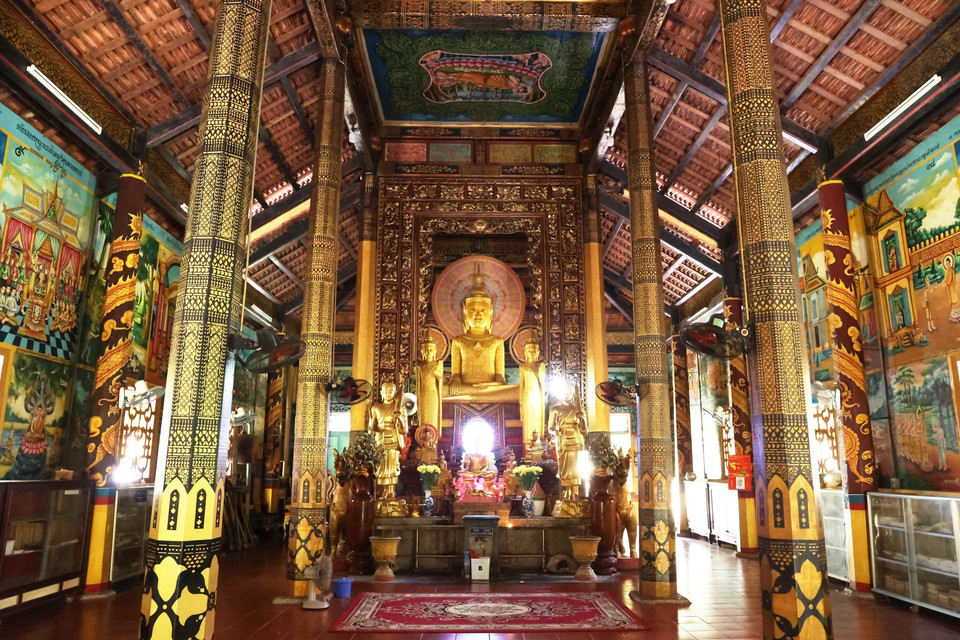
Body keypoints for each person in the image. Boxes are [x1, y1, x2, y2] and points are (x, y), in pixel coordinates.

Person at [447, 266, 517, 402]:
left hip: (489, 390)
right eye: (473, 310)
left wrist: (489, 386)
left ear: (491, 312)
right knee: (442, 390)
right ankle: (475, 394)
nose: (478, 314)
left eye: (483, 310)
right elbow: (456, 375)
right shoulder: (458, 341)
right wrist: (455, 381)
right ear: (465, 312)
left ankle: (476, 394)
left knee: (518, 391)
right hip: (465, 389)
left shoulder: (497, 341)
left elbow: (500, 379)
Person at [367, 381, 408, 501]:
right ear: (381, 393)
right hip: (381, 439)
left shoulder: (400, 408)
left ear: (395, 393)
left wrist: (399, 417)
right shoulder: (376, 408)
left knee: (392, 467)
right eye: (385, 391)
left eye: (390, 392)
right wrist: (373, 429)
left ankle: (391, 491)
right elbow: (371, 427)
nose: (388, 394)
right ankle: (384, 490)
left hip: (394, 440)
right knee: (382, 467)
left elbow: (404, 430)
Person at [548, 384, 587, 502]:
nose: (567, 395)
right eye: (565, 392)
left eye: (569, 393)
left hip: (575, 438)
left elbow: (584, 431)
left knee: (575, 467)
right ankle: (567, 491)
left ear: (572, 395)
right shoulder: (555, 409)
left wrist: (582, 419)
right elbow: (550, 428)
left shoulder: (578, 409)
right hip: (563, 439)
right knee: (565, 467)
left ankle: (575, 492)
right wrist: (556, 432)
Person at [518, 337, 546, 448]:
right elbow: (521, 387)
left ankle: (538, 441)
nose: (532, 352)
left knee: (537, 418)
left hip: (538, 395)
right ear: (525, 352)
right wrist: (521, 403)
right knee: (528, 419)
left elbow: (543, 385)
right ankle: (528, 444)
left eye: (534, 350)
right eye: (529, 350)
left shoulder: (541, 366)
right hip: (527, 395)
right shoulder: (523, 367)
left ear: (538, 352)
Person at [414, 336, 443, 433]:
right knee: (423, 416)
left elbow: (440, 382)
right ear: (422, 351)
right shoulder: (419, 366)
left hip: (433, 394)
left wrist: (439, 376)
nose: (428, 352)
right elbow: (418, 385)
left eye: (431, 350)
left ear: (435, 351)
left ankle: (433, 438)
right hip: (423, 394)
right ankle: (422, 436)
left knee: (433, 416)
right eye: (426, 350)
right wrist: (417, 398)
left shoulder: (438, 364)